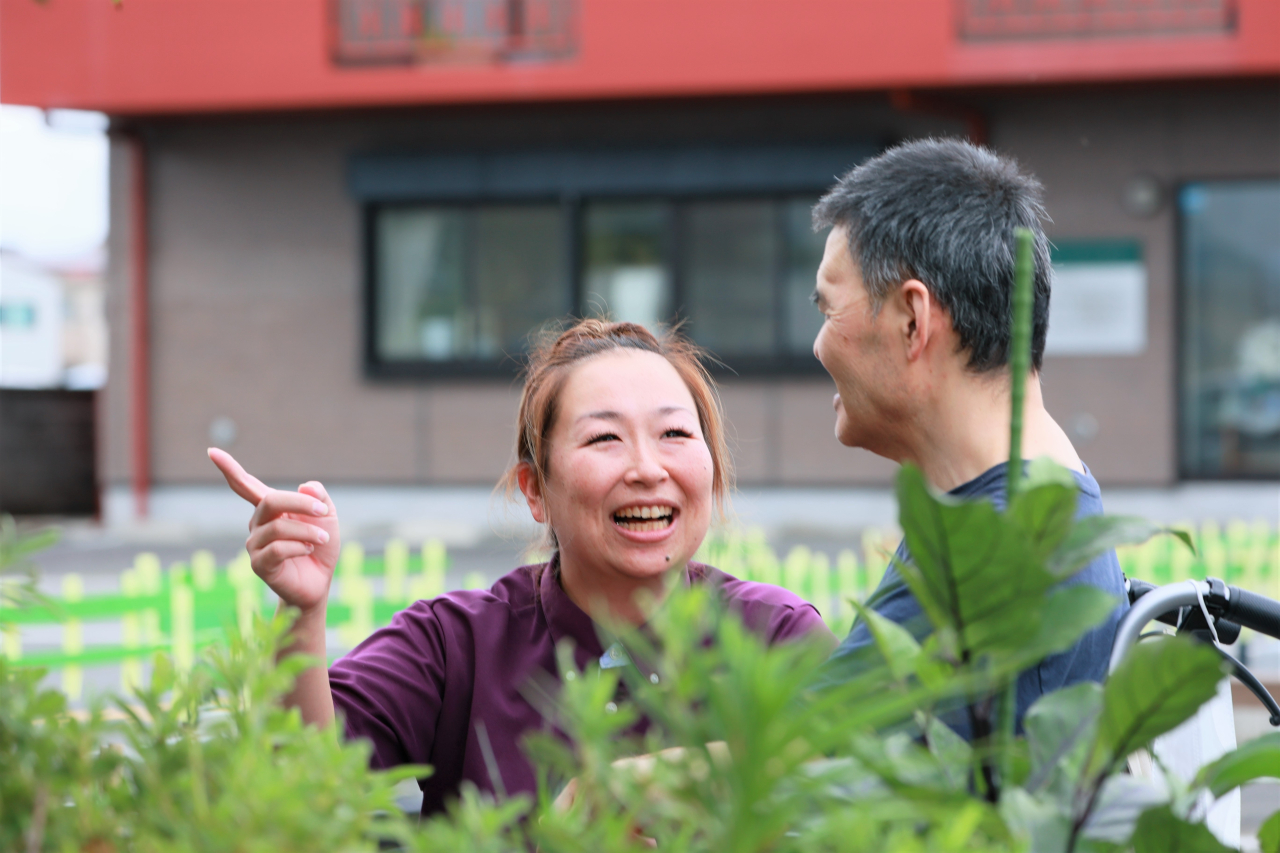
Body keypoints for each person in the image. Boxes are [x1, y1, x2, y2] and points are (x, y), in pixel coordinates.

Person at [209, 319, 834, 816]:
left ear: (713, 469)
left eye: (674, 433)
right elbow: (303, 783)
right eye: (604, 439)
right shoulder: (455, 644)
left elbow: (877, 759)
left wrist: (642, 781)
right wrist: (302, 610)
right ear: (535, 490)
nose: (648, 468)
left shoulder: (773, 633)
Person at [808, 138, 1128, 733]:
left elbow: (780, 769)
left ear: (912, 321)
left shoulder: (994, 557)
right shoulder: (1035, 510)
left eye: (829, 311)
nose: (818, 345)